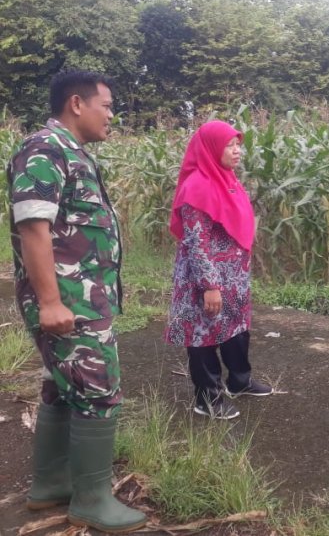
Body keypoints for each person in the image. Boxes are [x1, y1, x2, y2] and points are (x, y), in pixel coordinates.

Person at [6, 70, 147, 533]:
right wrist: (50, 302)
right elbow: (33, 227)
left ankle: (51, 485)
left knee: (62, 388)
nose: (111, 115)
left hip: (81, 299)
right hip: (68, 302)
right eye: (106, 106)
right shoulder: (45, 149)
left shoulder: (70, 151)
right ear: (77, 103)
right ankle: (91, 500)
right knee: (97, 390)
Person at [165, 120, 272, 419]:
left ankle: (240, 381)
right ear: (212, 147)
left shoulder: (227, 179)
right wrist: (210, 285)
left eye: (238, 144)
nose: (238, 150)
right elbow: (197, 244)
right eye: (230, 144)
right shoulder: (197, 186)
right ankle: (207, 398)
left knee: (237, 329)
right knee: (203, 334)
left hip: (233, 275)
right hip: (206, 277)